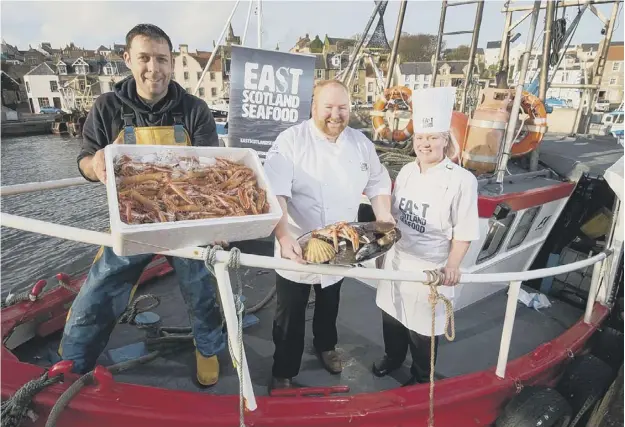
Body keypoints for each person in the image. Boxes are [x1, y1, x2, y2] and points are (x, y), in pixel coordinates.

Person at [60, 24, 225, 387]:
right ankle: (74, 360)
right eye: (145, 58)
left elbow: (213, 175)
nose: (155, 68)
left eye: (162, 59)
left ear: (172, 63)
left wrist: (217, 229)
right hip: (132, 224)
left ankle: (209, 349)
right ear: (128, 60)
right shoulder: (106, 107)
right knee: (100, 288)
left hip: (187, 224)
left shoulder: (195, 110)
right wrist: (95, 165)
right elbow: (86, 159)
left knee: (204, 289)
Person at [263, 79, 394, 391]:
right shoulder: (291, 141)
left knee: (330, 301)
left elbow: (377, 182)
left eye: (343, 108)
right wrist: (283, 236)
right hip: (297, 242)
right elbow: (275, 194)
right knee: (289, 314)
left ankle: (326, 347)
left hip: (341, 244)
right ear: (314, 108)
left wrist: (384, 217)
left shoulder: (361, 143)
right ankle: (284, 370)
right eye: (329, 107)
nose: (336, 115)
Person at [372, 86, 480, 386]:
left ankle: (421, 377)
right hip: (397, 258)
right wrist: (382, 251)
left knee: (424, 330)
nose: (425, 143)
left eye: (432, 137)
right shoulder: (406, 171)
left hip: (431, 267)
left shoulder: (462, 181)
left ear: (446, 140)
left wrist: (453, 265)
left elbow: (465, 230)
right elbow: (391, 216)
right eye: (420, 137)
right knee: (391, 315)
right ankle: (392, 358)